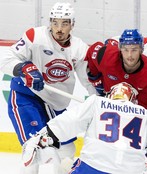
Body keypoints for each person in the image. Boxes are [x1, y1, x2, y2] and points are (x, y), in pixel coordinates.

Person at [0, 2, 95, 173]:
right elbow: (5, 59)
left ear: (72, 24)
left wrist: (101, 100)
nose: (59, 28)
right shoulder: (35, 36)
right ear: (49, 22)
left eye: (64, 23)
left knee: (67, 150)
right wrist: (24, 68)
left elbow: (88, 81)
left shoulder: (79, 48)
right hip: (26, 95)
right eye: (55, 22)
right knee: (34, 149)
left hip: (55, 103)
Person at [22, 82, 147, 174]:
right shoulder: (145, 114)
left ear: (110, 95)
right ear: (132, 100)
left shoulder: (97, 102)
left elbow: (69, 122)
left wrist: (44, 137)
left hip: (93, 167)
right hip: (131, 171)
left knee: (67, 166)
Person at [85, 29, 147, 117]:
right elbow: (92, 51)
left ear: (141, 49)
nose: (130, 55)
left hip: (133, 115)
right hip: (105, 104)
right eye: (126, 50)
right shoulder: (106, 55)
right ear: (120, 49)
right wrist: (96, 80)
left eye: (134, 50)